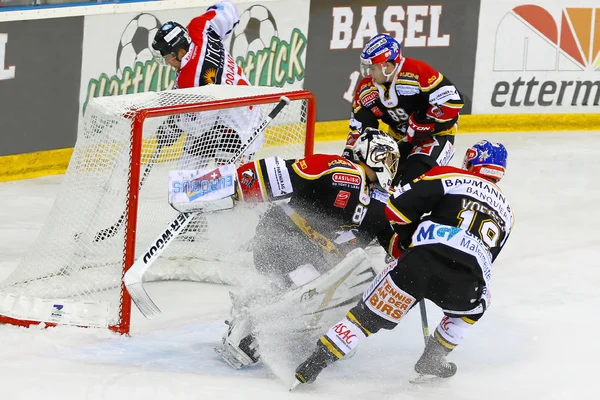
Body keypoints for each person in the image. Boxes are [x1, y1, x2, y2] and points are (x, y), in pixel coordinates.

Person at [292, 140, 514, 389]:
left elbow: (396, 209)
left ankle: (313, 364)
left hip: (419, 264)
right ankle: (434, 358)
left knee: (363, 318)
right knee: (477, 305)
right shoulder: (507, 212)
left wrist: (407, 241)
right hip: (466, 282)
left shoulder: (450, 175)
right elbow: (485, 259)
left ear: (470, 161)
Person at [214, 128, 409, 369]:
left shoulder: (382, 204)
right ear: (372, 155)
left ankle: (256, 304)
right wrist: (221, 188)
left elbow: (397, 244)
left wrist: (416, 256)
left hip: (311, 260)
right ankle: (245, 332)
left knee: (349, 287)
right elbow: (273, 173)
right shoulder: (339, 169)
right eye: (389, 158)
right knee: (308, 283)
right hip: (278, 241)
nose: (392, 166)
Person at [151, 1, 259, 240]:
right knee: (186, 173)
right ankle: (193, 222)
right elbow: (228, 9)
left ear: (180, 51)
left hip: (239, 125)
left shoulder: (194, 78)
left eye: (167, 56)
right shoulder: (199, 27)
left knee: (233, 180)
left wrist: (173, 126)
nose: (167, 62)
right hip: (232, 108)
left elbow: (199, 125)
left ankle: (253, 228)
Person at [343, 33, 464, 186]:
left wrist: (425, 123)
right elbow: (358, 128)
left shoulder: (418, 72)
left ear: (386, 66)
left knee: (412, 182)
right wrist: (349, 158)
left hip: (435, 137)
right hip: (398, 139)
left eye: (372, 68)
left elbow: (453, 102)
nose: (369, 74)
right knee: (372, 178)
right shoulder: (366, 89)